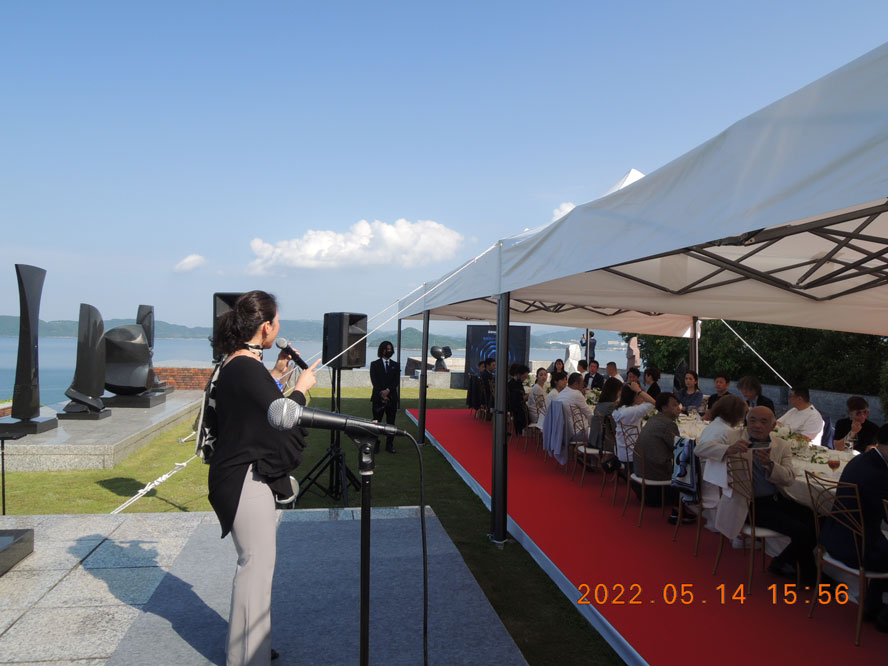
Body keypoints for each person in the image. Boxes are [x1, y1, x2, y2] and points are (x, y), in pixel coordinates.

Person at [208, 290, 320, 666]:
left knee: (257, 565)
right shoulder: (244, 366)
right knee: (255, 566)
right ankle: (245, 657)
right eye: (277, 323)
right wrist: (301, 388)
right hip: (244, 477)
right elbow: (283, 415)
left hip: (241, 473)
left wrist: (276, 374)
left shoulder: (240, 363)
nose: (278, 329)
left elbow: (254, 402)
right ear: (266, 326)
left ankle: (254, 644)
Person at [697, 403, 818, 585]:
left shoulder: (780, 445)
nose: (757, 425)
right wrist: (729, 449)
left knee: (817, 519)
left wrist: (770, 465)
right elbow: (699, 449)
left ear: (773, 425)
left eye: (763, 421)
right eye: (752, 420)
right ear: (746, 422)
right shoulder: (733, 438)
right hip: (748, 504)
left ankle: (782, 561)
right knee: (800, 530)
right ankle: (810, 577)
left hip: (775, 500)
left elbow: (789, 479)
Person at [820, 424, 888, 631]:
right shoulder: (880, 475)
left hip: (834, 536)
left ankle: (872, 604)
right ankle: (884, 616)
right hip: (856, 549)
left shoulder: (861, 460)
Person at [632, 392, 681, 507]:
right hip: (655, 471)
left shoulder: (653, 419)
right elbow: (678, 449)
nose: (678, 408)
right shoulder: (668, 424)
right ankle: (683, 506)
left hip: (640, 468)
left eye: (678, 404)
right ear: (664, 408)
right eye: (674, 405)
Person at [613, 381, 655, 464]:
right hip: (632, 454)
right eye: (639, 395)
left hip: (621, 450)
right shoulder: (632, 411)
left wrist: (638, 391)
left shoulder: (620, 409)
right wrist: (638, 390)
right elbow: (653, 403)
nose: (642, 398)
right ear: (634, 396)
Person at [370, 340, 400, 454]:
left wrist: (388, 391)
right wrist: (382, 393)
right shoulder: (374, 364)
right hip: (378, 398)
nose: (389, 351)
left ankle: (389, 445)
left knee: (391, 422)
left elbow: (396, 381)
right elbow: (374, 381)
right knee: (376, 422)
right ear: (382, 350)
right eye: (387, 349)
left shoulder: (395, 365)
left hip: (392, 398)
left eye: (391, 349)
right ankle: (375, 444)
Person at [507, 363, 530, 435]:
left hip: (518, 407)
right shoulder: (513, 385)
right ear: (518, 374)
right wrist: (527, 396)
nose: (525, 379)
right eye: (524, 377)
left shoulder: (517, 383)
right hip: (517, 409)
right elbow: (517, 400)